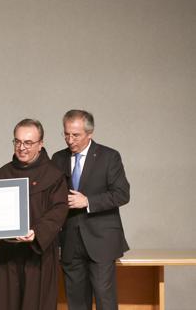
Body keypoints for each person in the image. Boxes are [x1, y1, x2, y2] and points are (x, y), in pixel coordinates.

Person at [51, 110, 130, 310]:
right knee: (76, 302)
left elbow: (122, 194)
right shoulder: (58, 158)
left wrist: (88, 202)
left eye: (75, 135)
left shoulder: (109, 156)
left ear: (90, 133)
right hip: (70, 241)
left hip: (101, 241)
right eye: (66, 134)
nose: (70, 140)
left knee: (105, 299)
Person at [0, 119, 69, 309]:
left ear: (40, 144)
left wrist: (36, 232)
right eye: (17, 141)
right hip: (9, 254)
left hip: (39, 254)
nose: (22, 147)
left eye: (28, 143)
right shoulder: (3, 173)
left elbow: (59, 209)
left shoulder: (54, 175)